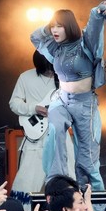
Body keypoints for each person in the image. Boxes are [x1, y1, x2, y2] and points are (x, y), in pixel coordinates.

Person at [31, 0, 106, 192]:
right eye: (53, 26)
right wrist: (48, 26)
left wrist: (98, 12)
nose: (54, 30)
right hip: (61, 101)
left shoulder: (85, 44)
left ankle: (91, 202)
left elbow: (94, 29)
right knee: (54, 132)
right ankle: (57, 185)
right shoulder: (56, 47)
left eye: (59, 26)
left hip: (84, 104)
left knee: (87, 158)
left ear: (69, 26)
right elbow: (35, 37)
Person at [8, 50, 65, 195]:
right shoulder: (25, 77)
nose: (49, 72)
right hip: (36, 137)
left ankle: (67, 207)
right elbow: (14, 103)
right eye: (45, 69)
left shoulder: (64, 78)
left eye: (51, 67)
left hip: (60, 135)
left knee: (66, 176)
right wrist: (33, 108)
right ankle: (22, 208)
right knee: (27, 181)